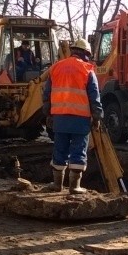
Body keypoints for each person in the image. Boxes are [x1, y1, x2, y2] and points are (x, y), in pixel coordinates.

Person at [42, 38, 103, 193]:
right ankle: (75, 187)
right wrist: (97, 117)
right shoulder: (87, 70)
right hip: (80, 119)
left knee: (60, 149)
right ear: (85, 53)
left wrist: (48, 114)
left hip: (60, 118)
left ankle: (57, 184)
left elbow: (47, 94)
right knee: (78, 150)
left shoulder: (55, 68)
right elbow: (94, 96)